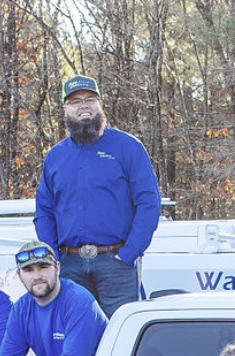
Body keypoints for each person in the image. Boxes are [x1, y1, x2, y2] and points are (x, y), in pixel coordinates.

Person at [32, 75, 161, 315]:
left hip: (117, 263)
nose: (83, 105)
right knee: (78, 337)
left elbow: (149, 203)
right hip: (69, 265)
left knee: (119, 337)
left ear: (100, 104)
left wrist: (129, 253)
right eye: (75, 101)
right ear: (65, 109)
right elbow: (44, 212)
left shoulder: (128, 147)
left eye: (90, 99)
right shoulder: (55, 156)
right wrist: (53, 258)